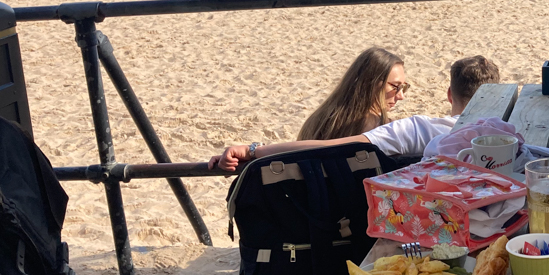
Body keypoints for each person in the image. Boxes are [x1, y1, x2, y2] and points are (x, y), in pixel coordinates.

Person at [210, 55, 501, 168]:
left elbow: (324, 147)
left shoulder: (414, 129)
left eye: (403, 87)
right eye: (396, 87)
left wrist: (253, 150)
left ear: (450, 94)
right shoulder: (512, 131)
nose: (401, 95)